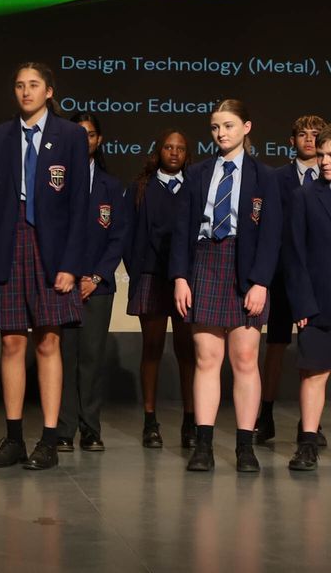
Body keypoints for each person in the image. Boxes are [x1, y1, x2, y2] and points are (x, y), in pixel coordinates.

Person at [0, 63, 89, 472]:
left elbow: (80, 203)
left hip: (52, 248)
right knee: (12, 342)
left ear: (49, 91)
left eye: (33, 85)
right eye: (19, 85)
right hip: (9, 242)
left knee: (48, 341)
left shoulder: (71, 135)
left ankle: (48, 439)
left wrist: (72, 264)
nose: (25, 92)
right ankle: (13, 439)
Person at [171, 99, 282, 473]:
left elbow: (271, 235)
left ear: (246, 128)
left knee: (245, 359)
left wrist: (260, 282)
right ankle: (203, 445)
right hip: (205, 261)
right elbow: (181, 229)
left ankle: (245, 447)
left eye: (229, 126)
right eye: (216, 127)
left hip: (245, 267)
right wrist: (181, 277)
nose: (221, 133)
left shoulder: (265, 176)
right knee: (206, 358)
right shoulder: (197, 173)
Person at [57, 113, 127, 453]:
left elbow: (118, 238)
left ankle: (90, 429)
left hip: (98, 286)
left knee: (91, 359)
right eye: (78, 133)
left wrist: (96, 277)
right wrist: (70, 273)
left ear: (99, 140)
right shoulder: (56, 180)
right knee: (64, 359)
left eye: (90, 134)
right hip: (63, 282)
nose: (84, 139)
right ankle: (63, 429)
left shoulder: (111, 186)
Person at [255, 115, 327, 446]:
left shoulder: (330, 179)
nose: (309, 139)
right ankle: (266, 416)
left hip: (317, 279)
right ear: (292, 140)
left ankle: (311, 424)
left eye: (315, 134)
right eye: (303, 134)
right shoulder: (276, 178)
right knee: (276, 345)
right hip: (282, 276)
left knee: (313, 350)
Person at [124, 129, 196, 449]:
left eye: (180, 148)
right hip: (151, 275)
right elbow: (128, 235)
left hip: (185, 280)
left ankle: (190, 421)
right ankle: (150, 421)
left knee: (187, 351)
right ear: (159, 151)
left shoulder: (195, 186)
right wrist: (137, 271)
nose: (174, 152)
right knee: (152, 348)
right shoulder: (141, 187)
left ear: (187, 154)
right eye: (168, 147)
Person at [285, 122, 331, 471]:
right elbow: (294, 255)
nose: (324, 161)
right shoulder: (305, 196)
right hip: (318, 302)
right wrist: (302, 303)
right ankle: (307, 445)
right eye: (321, 154)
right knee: (314, 374)